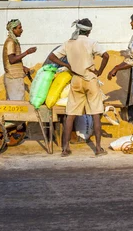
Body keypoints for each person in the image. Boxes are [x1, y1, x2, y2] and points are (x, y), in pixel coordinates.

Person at [47, 19, 109, 157]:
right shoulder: (91, 42)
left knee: (70, 115)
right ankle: (98, 149)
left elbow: (52, 56)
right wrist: (100, 71)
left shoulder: (68, 43)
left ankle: (65, 149)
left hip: (76, 80)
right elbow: (106, 56)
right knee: (96, 114)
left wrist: (68, 66)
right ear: (89, 31)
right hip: (90, 79)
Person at [3, 19, 37, 101]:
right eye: (19, 28)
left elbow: (12, 60)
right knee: (17, 105)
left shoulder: (13, 41)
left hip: (14, 77)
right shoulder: (11, 42)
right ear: (13, 29)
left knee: (12, 105)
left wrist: (22, 67)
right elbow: (11, 60)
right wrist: (27, 52)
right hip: (14, 78)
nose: (21, 30)